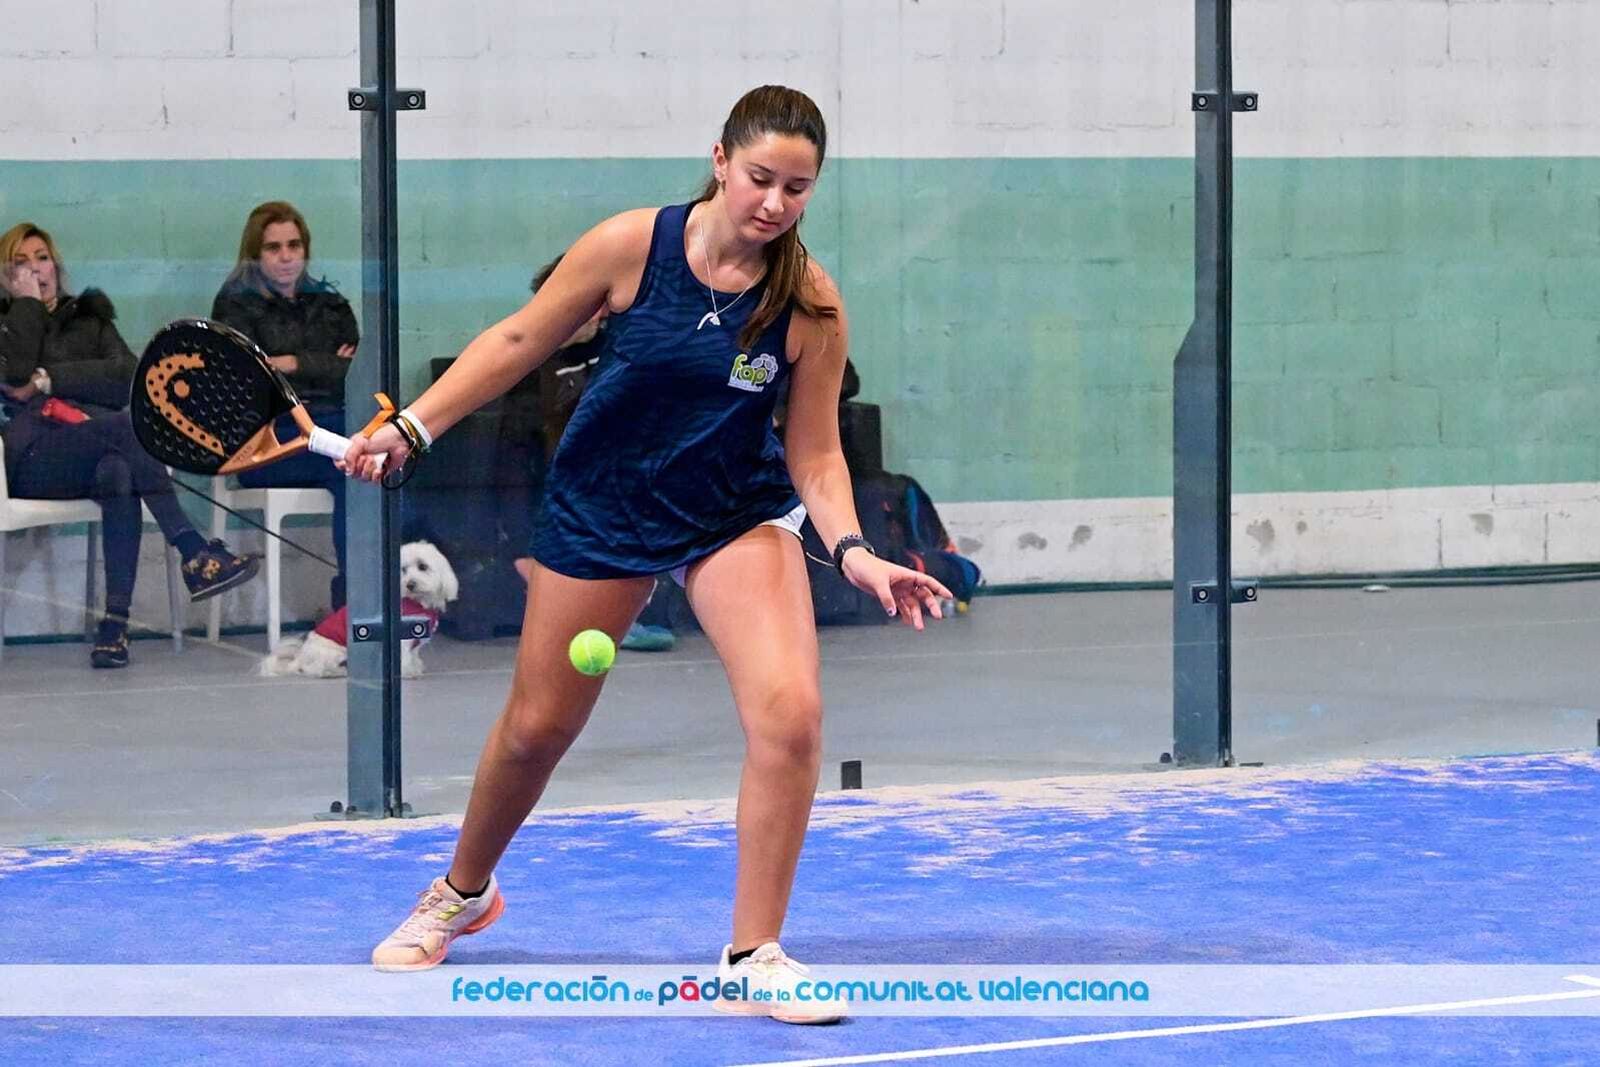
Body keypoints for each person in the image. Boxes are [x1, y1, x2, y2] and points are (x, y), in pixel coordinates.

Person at [342, 86, 951, 1023]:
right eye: (760, 178)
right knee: (536, 729)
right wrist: (415, 427)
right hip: (604, 504)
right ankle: (463, 891)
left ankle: (755, 951)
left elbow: (817, 450)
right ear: (719, 160)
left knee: (791, 712)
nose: (776, 204)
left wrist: (858, 551)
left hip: (731, 512)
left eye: (798, 187)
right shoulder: (633, 246)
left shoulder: (811, 304)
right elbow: (517, 340)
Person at [0, 222, 259, 668]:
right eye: (19, 263)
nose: (34, 271)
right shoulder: (9, 323)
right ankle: (194, 551)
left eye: (41, 258)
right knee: (126, 428)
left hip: (97, 451)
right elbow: (14, 374)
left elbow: (128, 378)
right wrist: (24, 305)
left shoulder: (89, 317)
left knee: (120, 472)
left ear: (57, 265)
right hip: (34, 457)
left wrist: (49, 378)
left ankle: (114, 627)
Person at [211, 201, 359, 610]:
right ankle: (355, 600)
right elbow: (250, 379)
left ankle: (365, 595)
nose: (286, 256)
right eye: (273, 247)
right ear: (255, 255)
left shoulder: (329, 304)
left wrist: (292, 363)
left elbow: (357, 373)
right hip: (265, 442)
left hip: (328, 425)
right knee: (355, 459)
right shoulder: (235, 307)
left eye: (294, 245)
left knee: (366, 456)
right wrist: (326, 365)